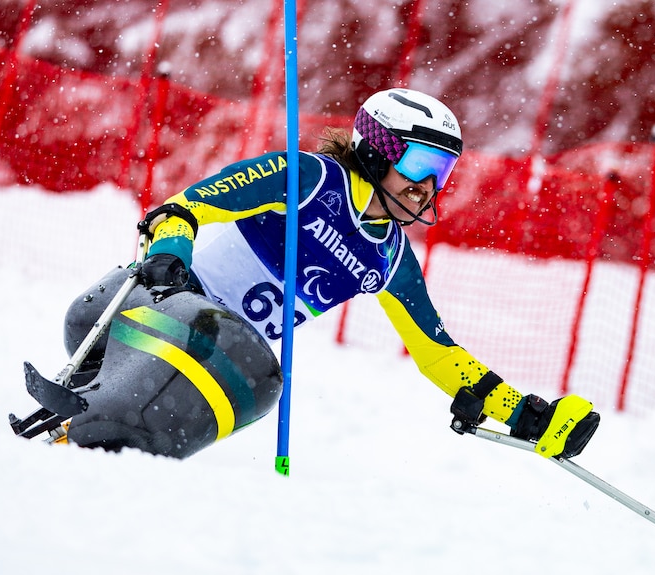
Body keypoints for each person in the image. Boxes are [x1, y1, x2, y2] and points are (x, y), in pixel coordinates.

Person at [59, 88, 600, 458]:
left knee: (262, 378)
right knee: (232, 345)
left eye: (443, 172)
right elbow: (182, 208)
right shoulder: (309, 178)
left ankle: (110, 450)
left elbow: (437, 351)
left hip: (212, 366)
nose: (427, 186)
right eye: (420, 166)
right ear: (377, 150)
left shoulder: (389, 258)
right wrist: (171, 255)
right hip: (132, 314)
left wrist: (521, 413)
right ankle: (89, 426)